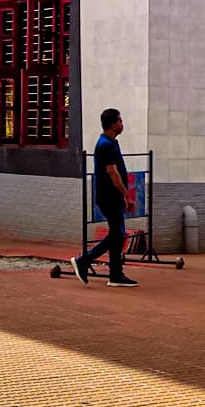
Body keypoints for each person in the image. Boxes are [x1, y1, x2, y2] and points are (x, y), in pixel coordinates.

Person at [71, 109, 136, 289]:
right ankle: (84, 260)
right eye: (120, 120)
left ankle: (115, 274)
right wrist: (126, 195)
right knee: (117, 234)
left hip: (113, 196)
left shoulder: (112, 142)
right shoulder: (105, 145)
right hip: (109, 196)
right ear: (113, 124)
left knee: (118, 234)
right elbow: (112, 172)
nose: (122, 124)